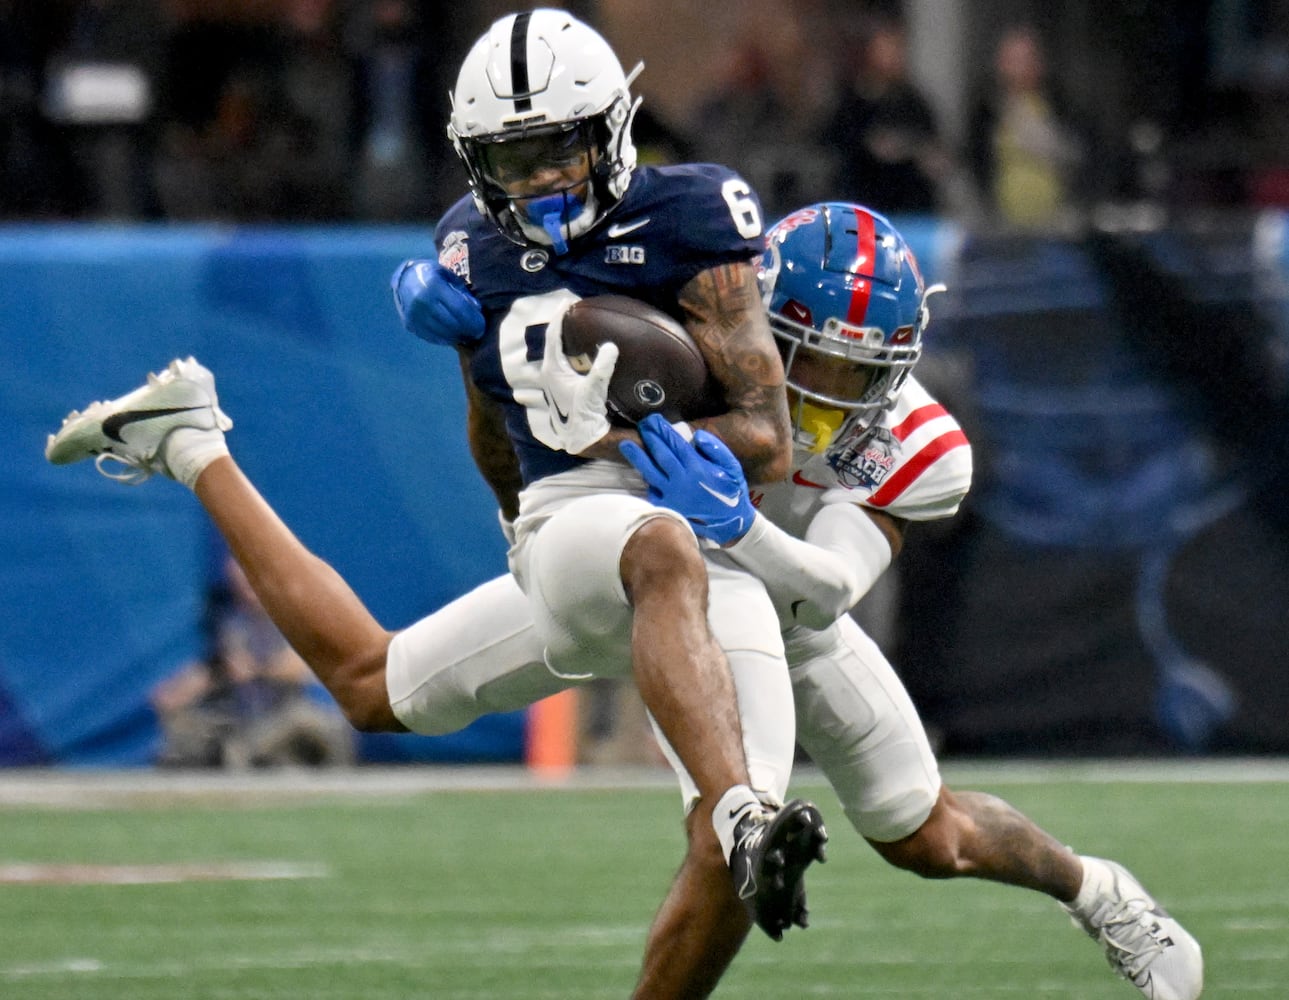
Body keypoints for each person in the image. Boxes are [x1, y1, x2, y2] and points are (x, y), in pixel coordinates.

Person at [44, 203, 1204, 1000]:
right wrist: (477, 355)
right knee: (372, 685)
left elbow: (833, 585)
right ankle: (192, 440)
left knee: (923, 834)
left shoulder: (913, 443)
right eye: (820, 359)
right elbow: (522, 485)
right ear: (751, 328)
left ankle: (1097, 890)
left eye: (866, 370)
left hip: (782, 610)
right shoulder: (682, 348)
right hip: (636, 568)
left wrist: (740, 523)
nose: (838, 393)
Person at [48, 5, 826, 954]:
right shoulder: (474, 244)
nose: (536, 182)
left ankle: (190, 444)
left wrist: (651, 449)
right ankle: (741, 810)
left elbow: (765, 438)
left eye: (556, 152)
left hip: (707, 542)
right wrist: (524, 510)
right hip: (581, 519)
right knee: (667, 590)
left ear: (611, 130)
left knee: (370, 683)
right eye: (508, 161)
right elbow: (499, 434)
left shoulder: (693, 216)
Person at [151, 552, 356, 769]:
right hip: (245, 714)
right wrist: (180, 690)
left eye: (251, 581)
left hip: (286, 713)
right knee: (185, 719)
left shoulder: (291, 618)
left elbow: (296, 667)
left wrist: (256, 669)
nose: (247, 589)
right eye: (240, 582)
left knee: (315, 721)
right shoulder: (231, 624)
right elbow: (217, 667)